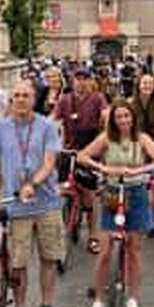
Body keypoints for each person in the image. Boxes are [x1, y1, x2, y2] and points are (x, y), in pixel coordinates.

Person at [78, 99, 154, 307]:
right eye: (119, 117)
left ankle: (132, 298)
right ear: (113, 120)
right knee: (105, 251)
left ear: (133, 118)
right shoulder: (107, 138)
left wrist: (141, 169)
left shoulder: (142, 138)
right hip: (111, 194)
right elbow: (82, 156)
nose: (123, 121)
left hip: (137, 193)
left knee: (135, 250)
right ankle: (99, 299)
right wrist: (103, 167)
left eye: (127, 116)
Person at [0, 78, 63, 307]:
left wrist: (33, 183)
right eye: (16, 95)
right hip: (16, 207)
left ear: (34, 99)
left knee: (49, 259)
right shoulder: (0, 129)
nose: (20, 99)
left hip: (46, 203)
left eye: (25, 95)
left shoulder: (47, 127)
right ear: (11, 100)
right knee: (18, 264)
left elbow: (50, 161)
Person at [53, 67, 106, 253]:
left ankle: (93, 235)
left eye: (85, 78)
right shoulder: (64, 100)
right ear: (73, 80)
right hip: (68, 150)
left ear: (90, 81)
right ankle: (59, 228)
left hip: (89, 150)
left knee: (89, 197)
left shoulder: (98, 98)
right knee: (61, 189)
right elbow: (54, 120)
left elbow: (105, 115)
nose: (81, 82)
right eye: (78, 78)